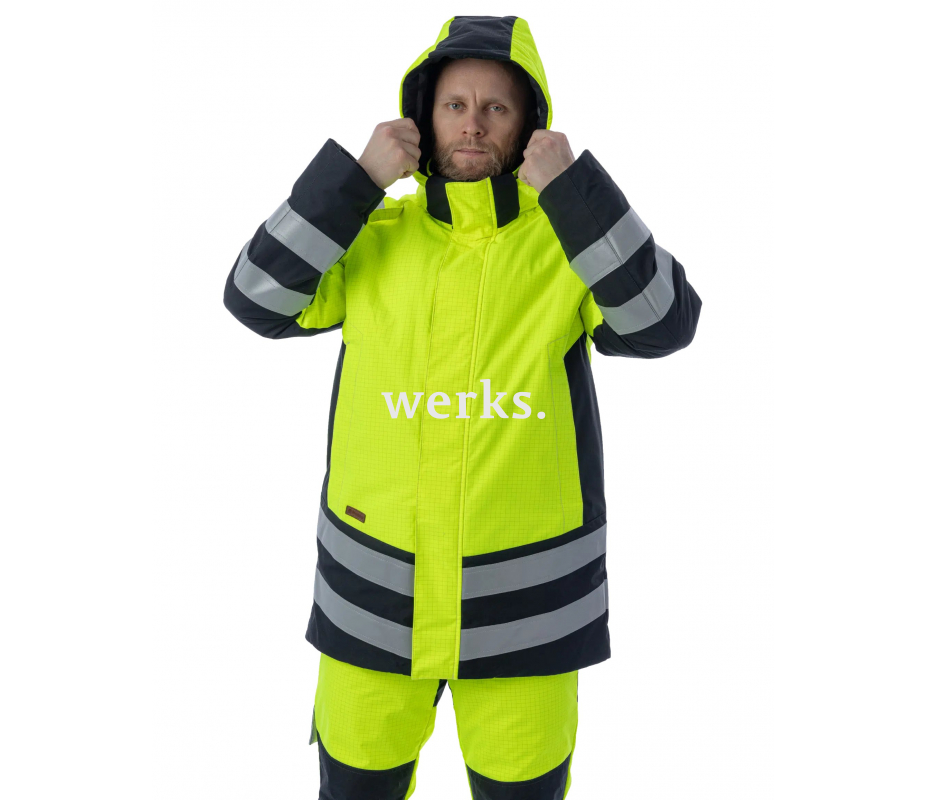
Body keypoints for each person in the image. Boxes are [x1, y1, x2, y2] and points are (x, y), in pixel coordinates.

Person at [223, 14, 702, 800]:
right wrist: (354, 181)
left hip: (527, 617)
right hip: (373, 602)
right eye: (455, 105)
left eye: (495, 108)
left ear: (528, 126)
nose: (473, 124)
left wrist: (578, 194)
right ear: (423, 117)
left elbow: (663, 324)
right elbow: (254, 296)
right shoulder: (369, 235)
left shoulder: (568, 243)